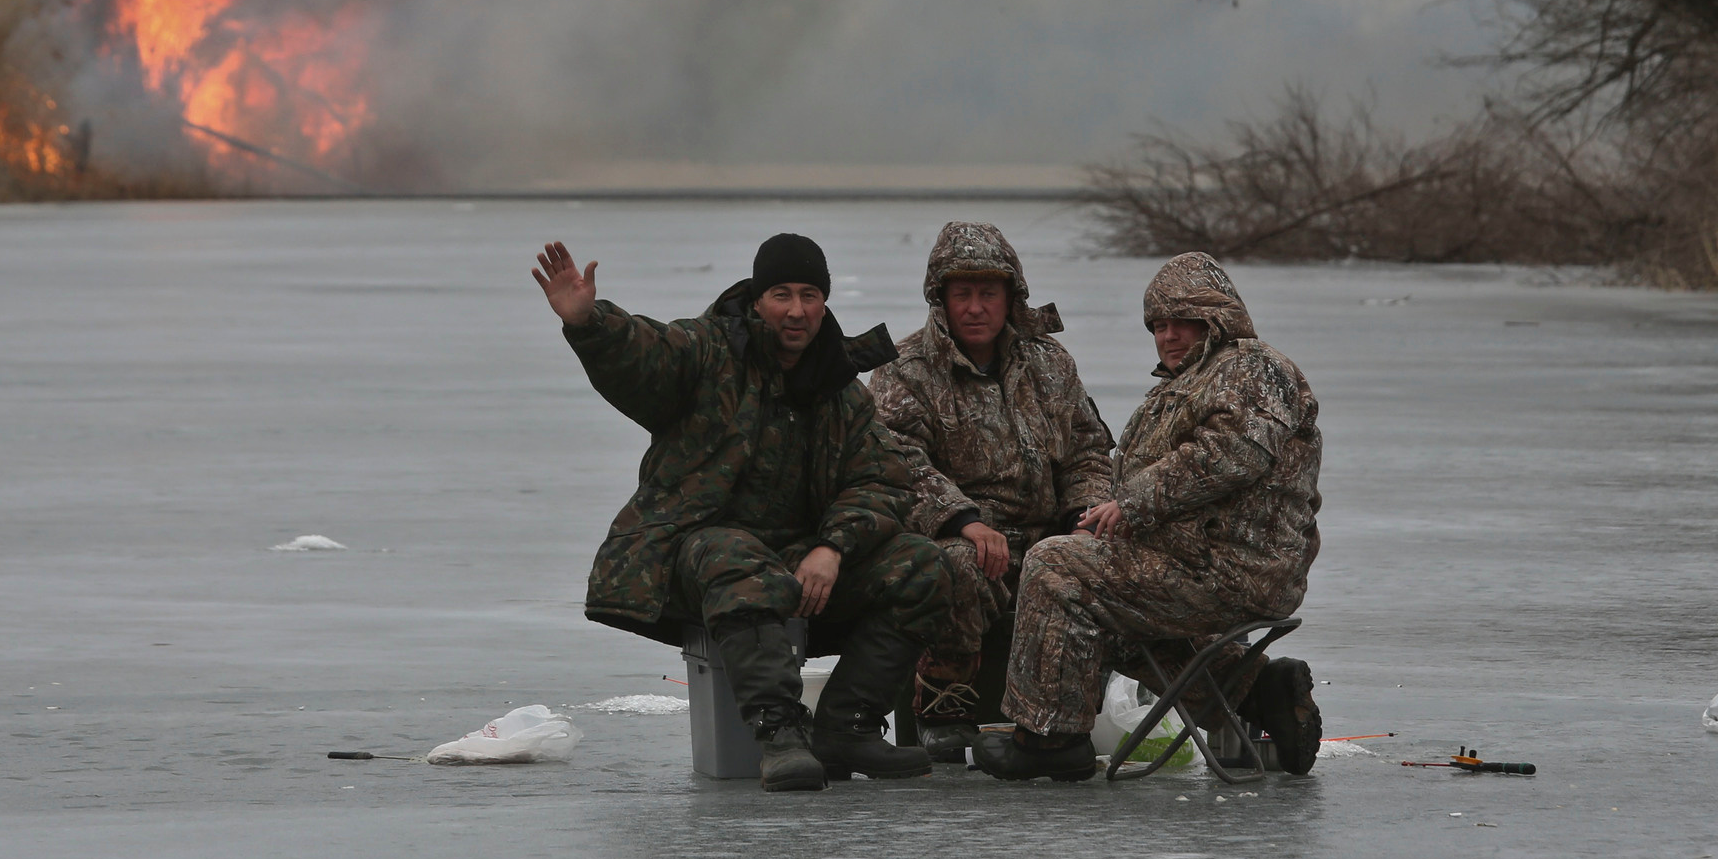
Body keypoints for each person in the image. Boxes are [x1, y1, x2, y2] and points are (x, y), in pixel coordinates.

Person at [534, 232, 947, 792]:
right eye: (781, 294)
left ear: (824, 303)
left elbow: (881, 480)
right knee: (736, 556)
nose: (796, 310)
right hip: (700, 552)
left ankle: (846, 728)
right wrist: (589, 322)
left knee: (922, 566)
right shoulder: (706, 353)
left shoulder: (841, 391)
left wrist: (833, 547)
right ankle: (779, 735)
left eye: (809, 295)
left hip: (799, 560)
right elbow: (644, 354)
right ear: (757, 300)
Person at [974, 252, 1324, 782]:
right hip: (1197, 560)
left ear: (1216, 317)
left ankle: (1049, 739)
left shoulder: (1250, 367)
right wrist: (1102, 517)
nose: (1168, 336)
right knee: (1099, 621)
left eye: (1183, 321)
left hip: (1230, 570)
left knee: (1052, 567)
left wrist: (1132, 504)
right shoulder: (1188, 384)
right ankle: (1259, 693)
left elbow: (1232, 452)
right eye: (1159, 326)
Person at [870, 222, 1113, 759]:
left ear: (1010, 297)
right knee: (958, 565)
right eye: (962, 294)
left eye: (988, 293)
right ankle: (943, 705)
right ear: (941, 299)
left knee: (1111, 563)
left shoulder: (1049, 363)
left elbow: (1088, 450)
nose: (975, 308)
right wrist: (965, 520)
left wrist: (1084, 518)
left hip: (1046, 532)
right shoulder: (905, 370)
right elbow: (899, 463)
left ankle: (1061, 723)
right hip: (953, 534)